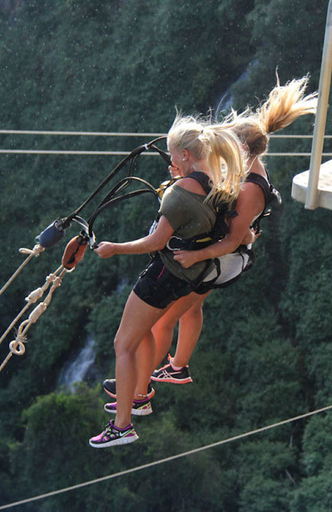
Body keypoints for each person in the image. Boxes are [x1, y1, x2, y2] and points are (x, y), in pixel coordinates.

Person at [102, 77, 318, 404]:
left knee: (164, 319)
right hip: (216, 255)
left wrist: (197, 253)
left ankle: (138, 389)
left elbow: (234, 240)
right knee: (188, 310)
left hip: (218, 258)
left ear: (241, 150)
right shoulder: (242, 171)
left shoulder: (249, 188)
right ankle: (176, 365)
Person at [88, 116, 246, 448]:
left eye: (174, 155)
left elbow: (156, 242)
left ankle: (123, 425)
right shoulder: (218, 182)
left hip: (161, 276)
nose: (170, 161)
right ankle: (138, 398)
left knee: (123, 344)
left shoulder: (178, 194)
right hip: (186, 279)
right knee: (142, 332)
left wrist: (114, 249)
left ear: (187, 155)